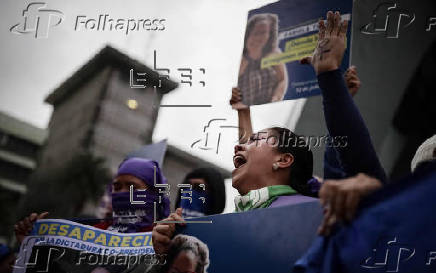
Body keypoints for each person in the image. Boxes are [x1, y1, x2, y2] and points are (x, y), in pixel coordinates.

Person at [153, 11, 385, 252]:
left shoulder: (317, 216)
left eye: (257, 140)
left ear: (283, 161)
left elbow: (353, 168)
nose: (238, 145)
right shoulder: (227, 229)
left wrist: (332, 84)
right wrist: (168, 252)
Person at [14, 157, 170, 243]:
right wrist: (29, 245)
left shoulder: (162, 238)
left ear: (154, 194)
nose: (122, 193)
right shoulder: (89, 232)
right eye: (116, 187)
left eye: (132, 187)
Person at [238, 13, 288, 105]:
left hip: (269, 107)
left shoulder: (274, 53)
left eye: (263, 32)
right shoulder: (241, 57)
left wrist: (276, 97)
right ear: (249, 34)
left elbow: (282, 80)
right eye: (256, 33)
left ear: (270, 34)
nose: (258, 37)